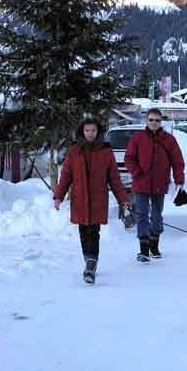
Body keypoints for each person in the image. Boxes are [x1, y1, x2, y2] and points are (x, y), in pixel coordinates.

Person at [53, 118, 130, 284]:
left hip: (97, 199)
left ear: (98, 132)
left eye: (93, 131)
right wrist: (59, 196)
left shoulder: (106, 151)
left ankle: (90, 266)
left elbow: (114, 178)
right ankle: (89, 261)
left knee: (93, 232)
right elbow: (66, 175)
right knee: (83, 232)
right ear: (82, 131)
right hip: (79, 198)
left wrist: (123, 198)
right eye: (87, 130)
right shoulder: (74, 150)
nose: (90, 133)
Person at [125, 108, 185, 263]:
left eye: (157, 120)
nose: (154, 123)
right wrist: (137, 172)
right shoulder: (137, 138)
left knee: (157, 216)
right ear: (146, 121)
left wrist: (179, 180)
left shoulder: (169, 140)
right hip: (141, 183)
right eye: (151, 120)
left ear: (161, 122)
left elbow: (177, 161)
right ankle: (143, 249)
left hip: (160, 183)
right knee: (142, 215)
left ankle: (154, 244)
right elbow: (129, 158)